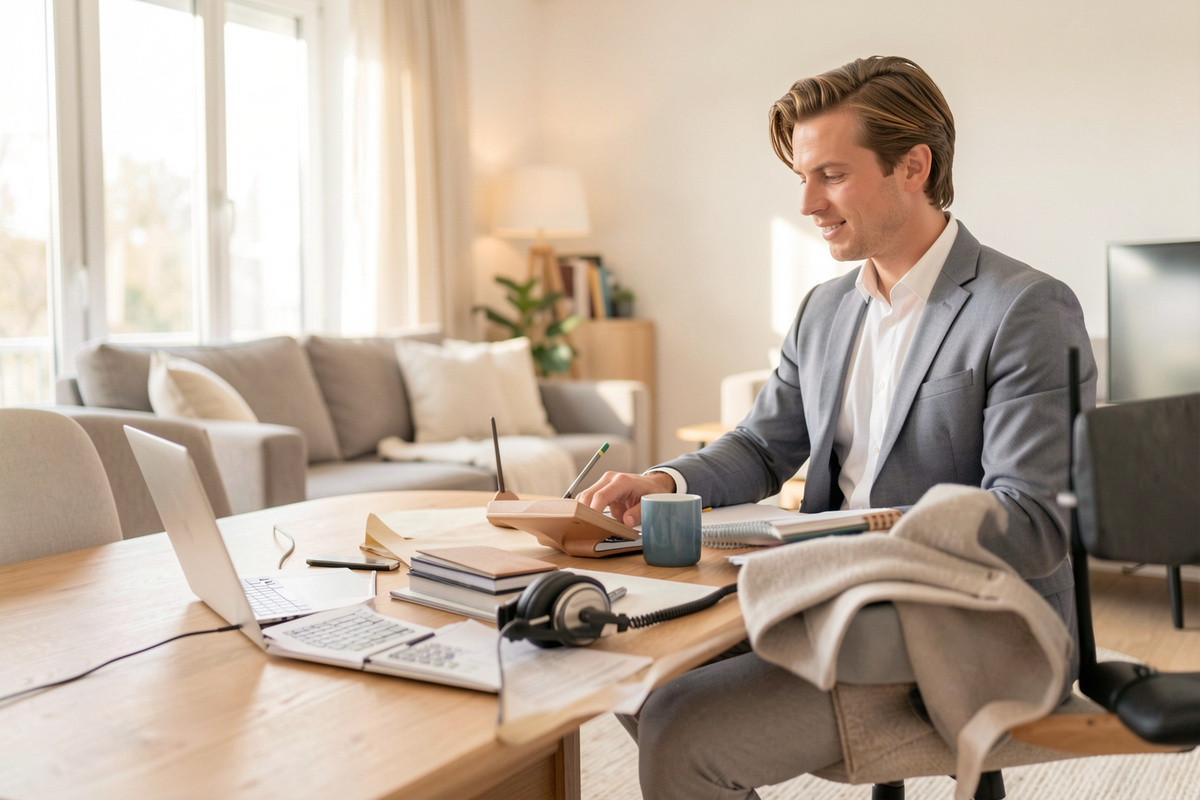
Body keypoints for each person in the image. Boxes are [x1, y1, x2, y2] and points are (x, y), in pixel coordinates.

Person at [577, 55, 1096, 799]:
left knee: (683, 730)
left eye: (831, 175)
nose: (808, 203)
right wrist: (666, 480)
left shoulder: (1024, 309)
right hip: (833, 601)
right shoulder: (825, 309)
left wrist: (850, 536)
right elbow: (761, 445)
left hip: (971, 628)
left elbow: (1033, 521)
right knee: (628, 670)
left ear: (913, 166)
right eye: (801, 177)